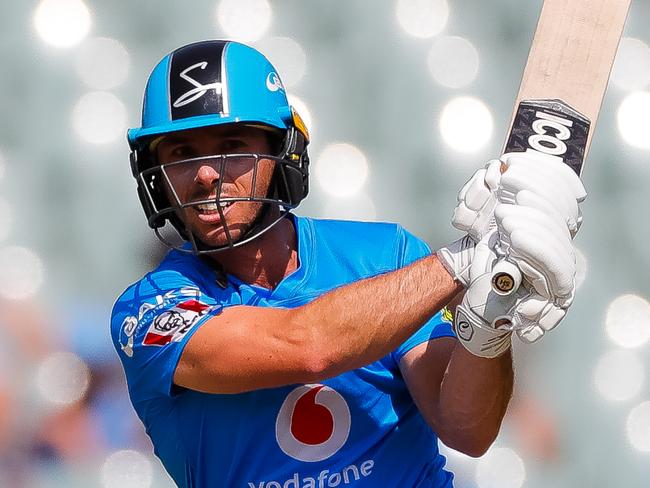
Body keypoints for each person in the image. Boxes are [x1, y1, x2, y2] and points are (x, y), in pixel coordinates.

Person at [111, 40, 586, 487]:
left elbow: (468, 430)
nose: (207, 173)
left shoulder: (388, 255)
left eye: (232, 145)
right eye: (181, 153)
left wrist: (488, 322)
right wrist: (463, 262)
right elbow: (306, 346)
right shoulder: (148, 312)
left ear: (281, 151)